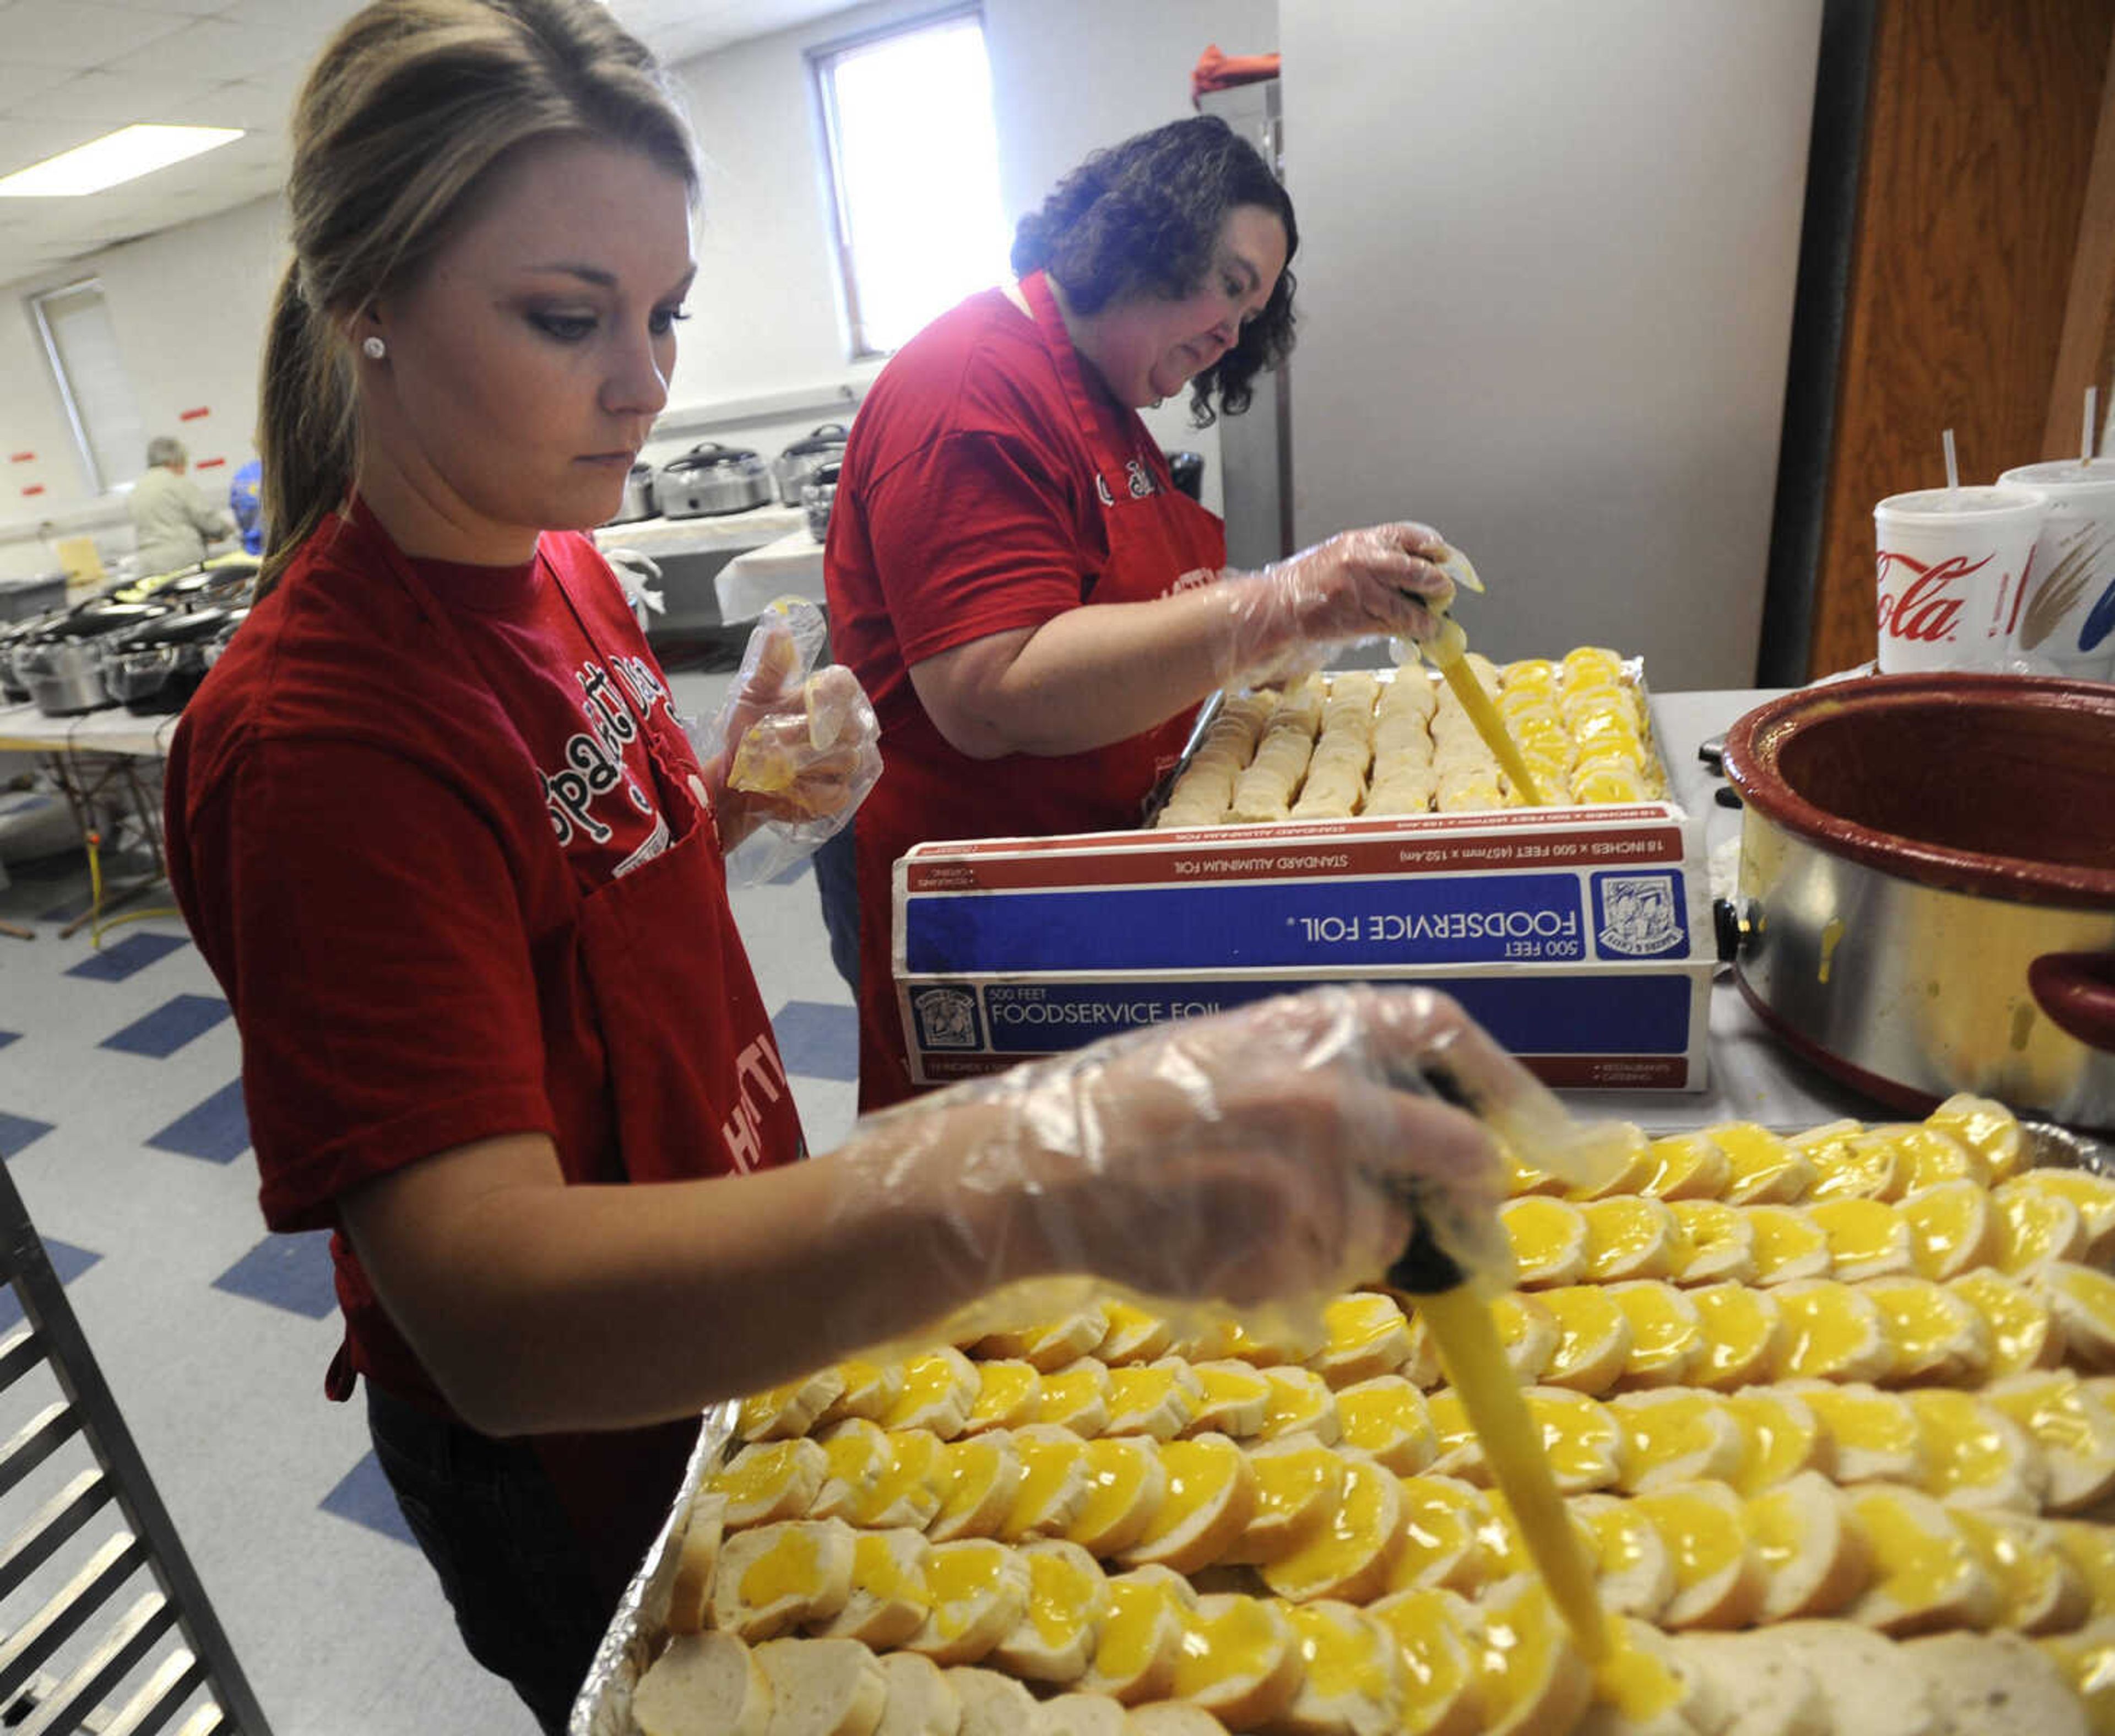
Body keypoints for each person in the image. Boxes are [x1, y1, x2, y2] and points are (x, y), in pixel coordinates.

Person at [161, 4, 1528, 1730]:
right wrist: (1038, 1163)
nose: (644, 380)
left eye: (663, 315)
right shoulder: (317, 735)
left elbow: (552, 887)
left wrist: (729, 807)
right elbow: (496, 1317)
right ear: (364, 296)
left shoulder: (551, 565)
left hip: (731, 1291)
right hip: (588, 1435)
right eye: (566, 318)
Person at [824, 115, 1467, 1111]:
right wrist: (1279, 601)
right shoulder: (972, 385)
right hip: (993, 910)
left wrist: (1283, 626)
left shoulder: (1102, 402)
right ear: (1143, 235)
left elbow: (1114, 610)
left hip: (1098, 875)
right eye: (1231, 283)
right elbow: (990, 693)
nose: (1233, 330)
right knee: (1007, 1227)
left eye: (1254, 312)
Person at [128, 435, 236, 576]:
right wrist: (227, 530)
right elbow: (207, 519)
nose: (184, 469)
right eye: (184, 463)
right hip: (181, 562)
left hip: (148, 564)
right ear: (174, 461)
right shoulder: (177, 482)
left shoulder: (137, 489)